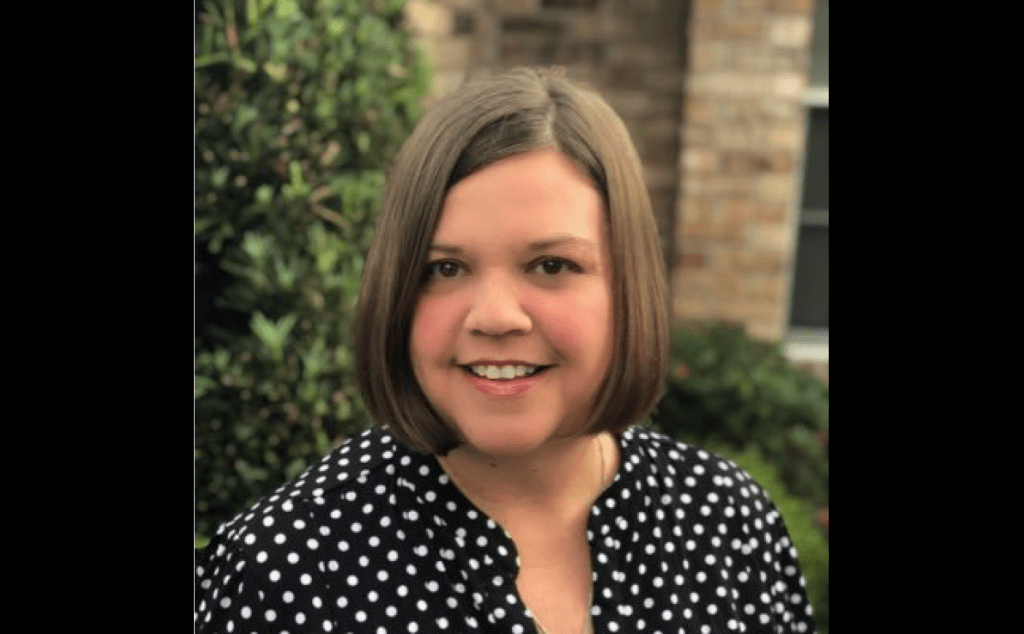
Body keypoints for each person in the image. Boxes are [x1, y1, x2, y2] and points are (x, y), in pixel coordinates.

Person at [195, 66, 816, 634]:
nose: (494, 317)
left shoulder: (728, 523)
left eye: (551, 265)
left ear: (628, 285)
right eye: (444, 268)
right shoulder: (285, 568)